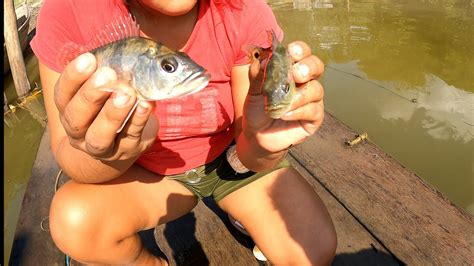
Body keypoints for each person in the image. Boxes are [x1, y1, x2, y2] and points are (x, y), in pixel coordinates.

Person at [32, 0, 337, 264]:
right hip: (149, 177)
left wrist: (263, 144)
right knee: (76, 223)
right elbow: (68, 153)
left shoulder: (243, 10)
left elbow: (251, 148)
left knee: (312, 249)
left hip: (230, 163)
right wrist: (109, 154)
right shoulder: (69, 10)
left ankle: (242, 210)